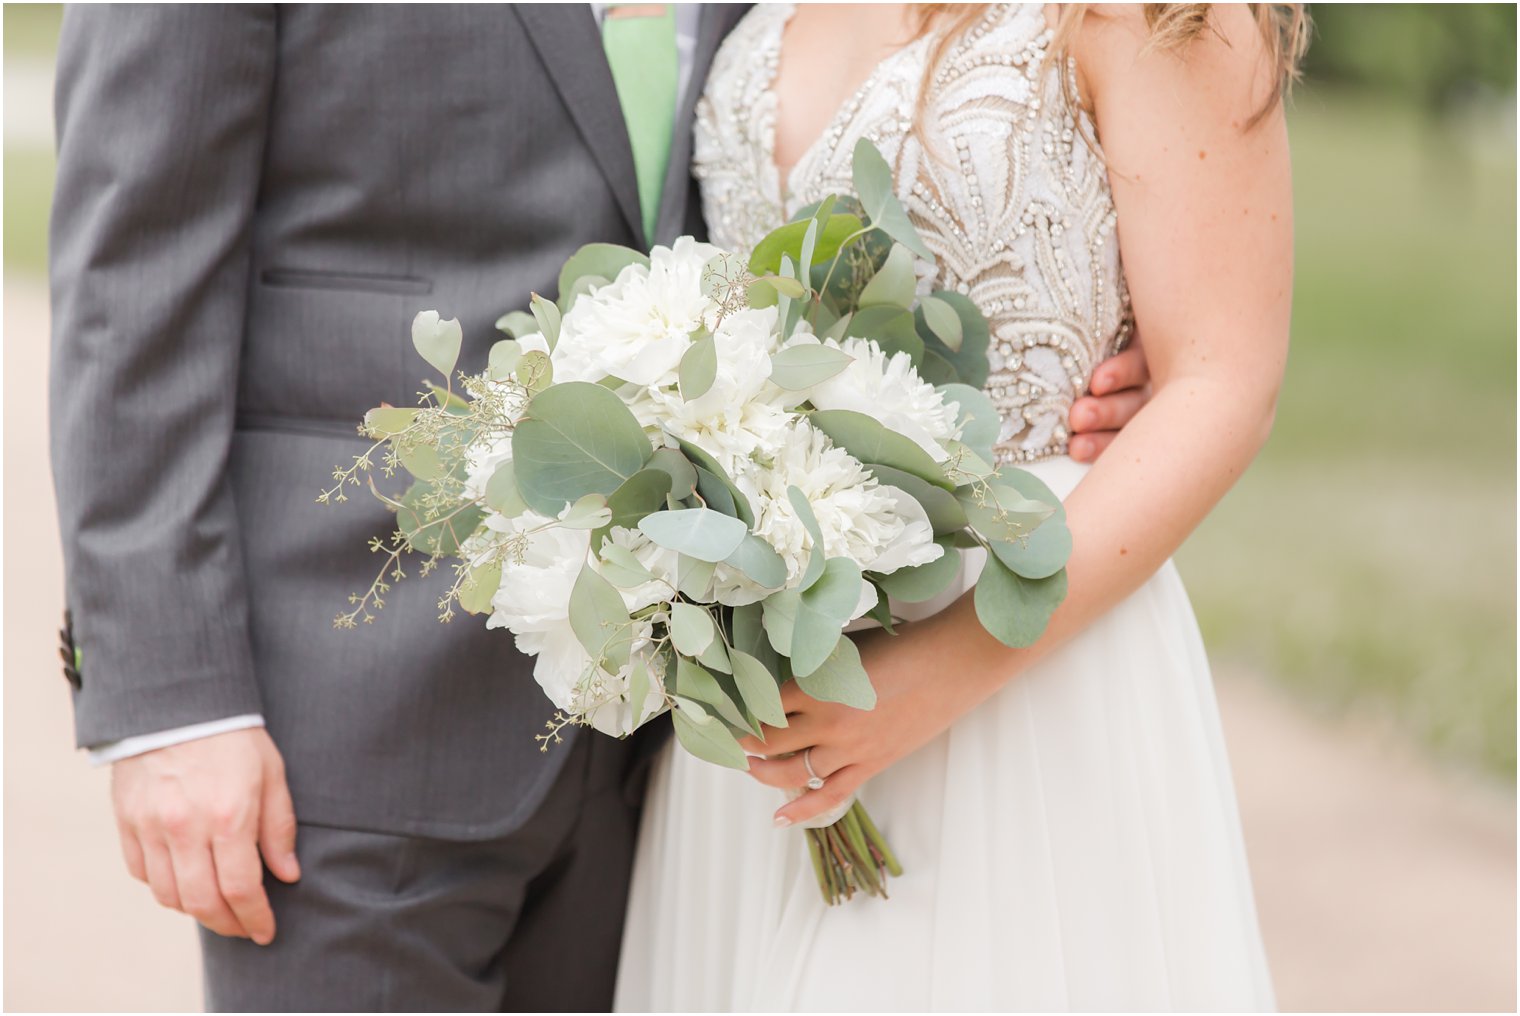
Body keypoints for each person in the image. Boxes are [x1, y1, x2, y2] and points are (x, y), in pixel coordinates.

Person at [47, 4, 1151, 1011]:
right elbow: (132, 277)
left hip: (670, 750)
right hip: (343, 715)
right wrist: (170, 705)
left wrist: (1074, 330)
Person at [615, 3, 1303, 1010]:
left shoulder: (1158, 18)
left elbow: (1221, 379)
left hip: (1029, 666)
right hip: (771, 682)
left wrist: (940, 672)